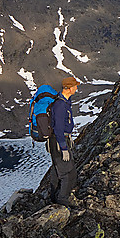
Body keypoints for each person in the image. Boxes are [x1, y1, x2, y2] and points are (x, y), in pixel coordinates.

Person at [49, 76, 79, 206]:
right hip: (58, 141)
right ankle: (62, 199)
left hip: (59, 140)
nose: (76, 89)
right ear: (69, 88)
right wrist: (64, 147)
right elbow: (58, 128)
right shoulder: (60, 105)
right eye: (75, 86)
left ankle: (53, 197)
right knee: (68, 173)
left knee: (57, 170)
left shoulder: (64, 101)